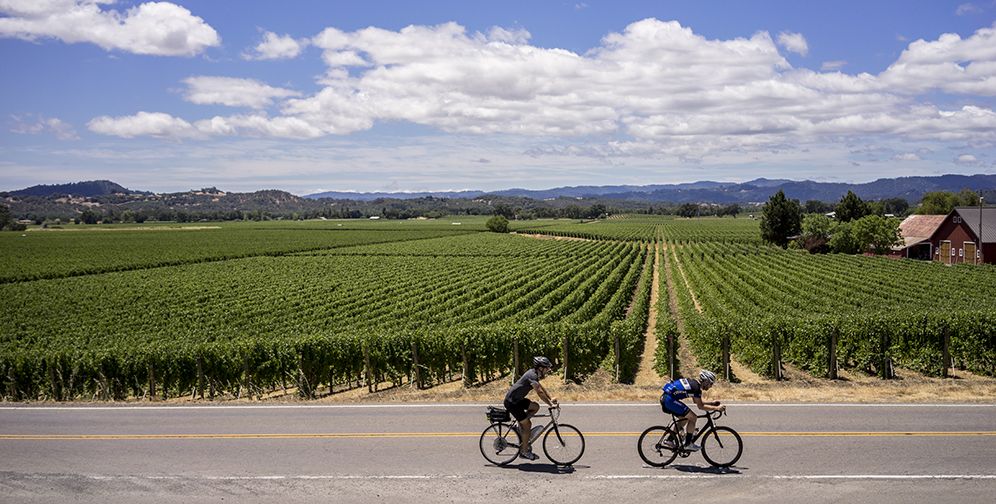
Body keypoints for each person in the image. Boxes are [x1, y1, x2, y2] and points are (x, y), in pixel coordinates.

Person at [503, 356, 558, 461]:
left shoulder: (534, 374)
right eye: (546, 368)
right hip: (512, 402)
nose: (547, 370)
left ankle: (521, 426)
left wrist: (551, 398)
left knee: (535, 406)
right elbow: (539, 392)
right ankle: (524, 451)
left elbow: (541, 388)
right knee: (528, 425)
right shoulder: (532, 375)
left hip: (517, 400)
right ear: (540, 368)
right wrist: (550, 405)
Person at [660, 370, 725, 451]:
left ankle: (669, 440)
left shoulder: (694, 384)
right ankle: (687, 444)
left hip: (666, 398)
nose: (710, 386)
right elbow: (700, 406)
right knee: (693, 417)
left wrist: (712, 403)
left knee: (685, 418)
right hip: (669, 400)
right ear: (705, 381)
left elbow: (696, 401)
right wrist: (717, 408)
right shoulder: (696, 388)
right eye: (710, 383)